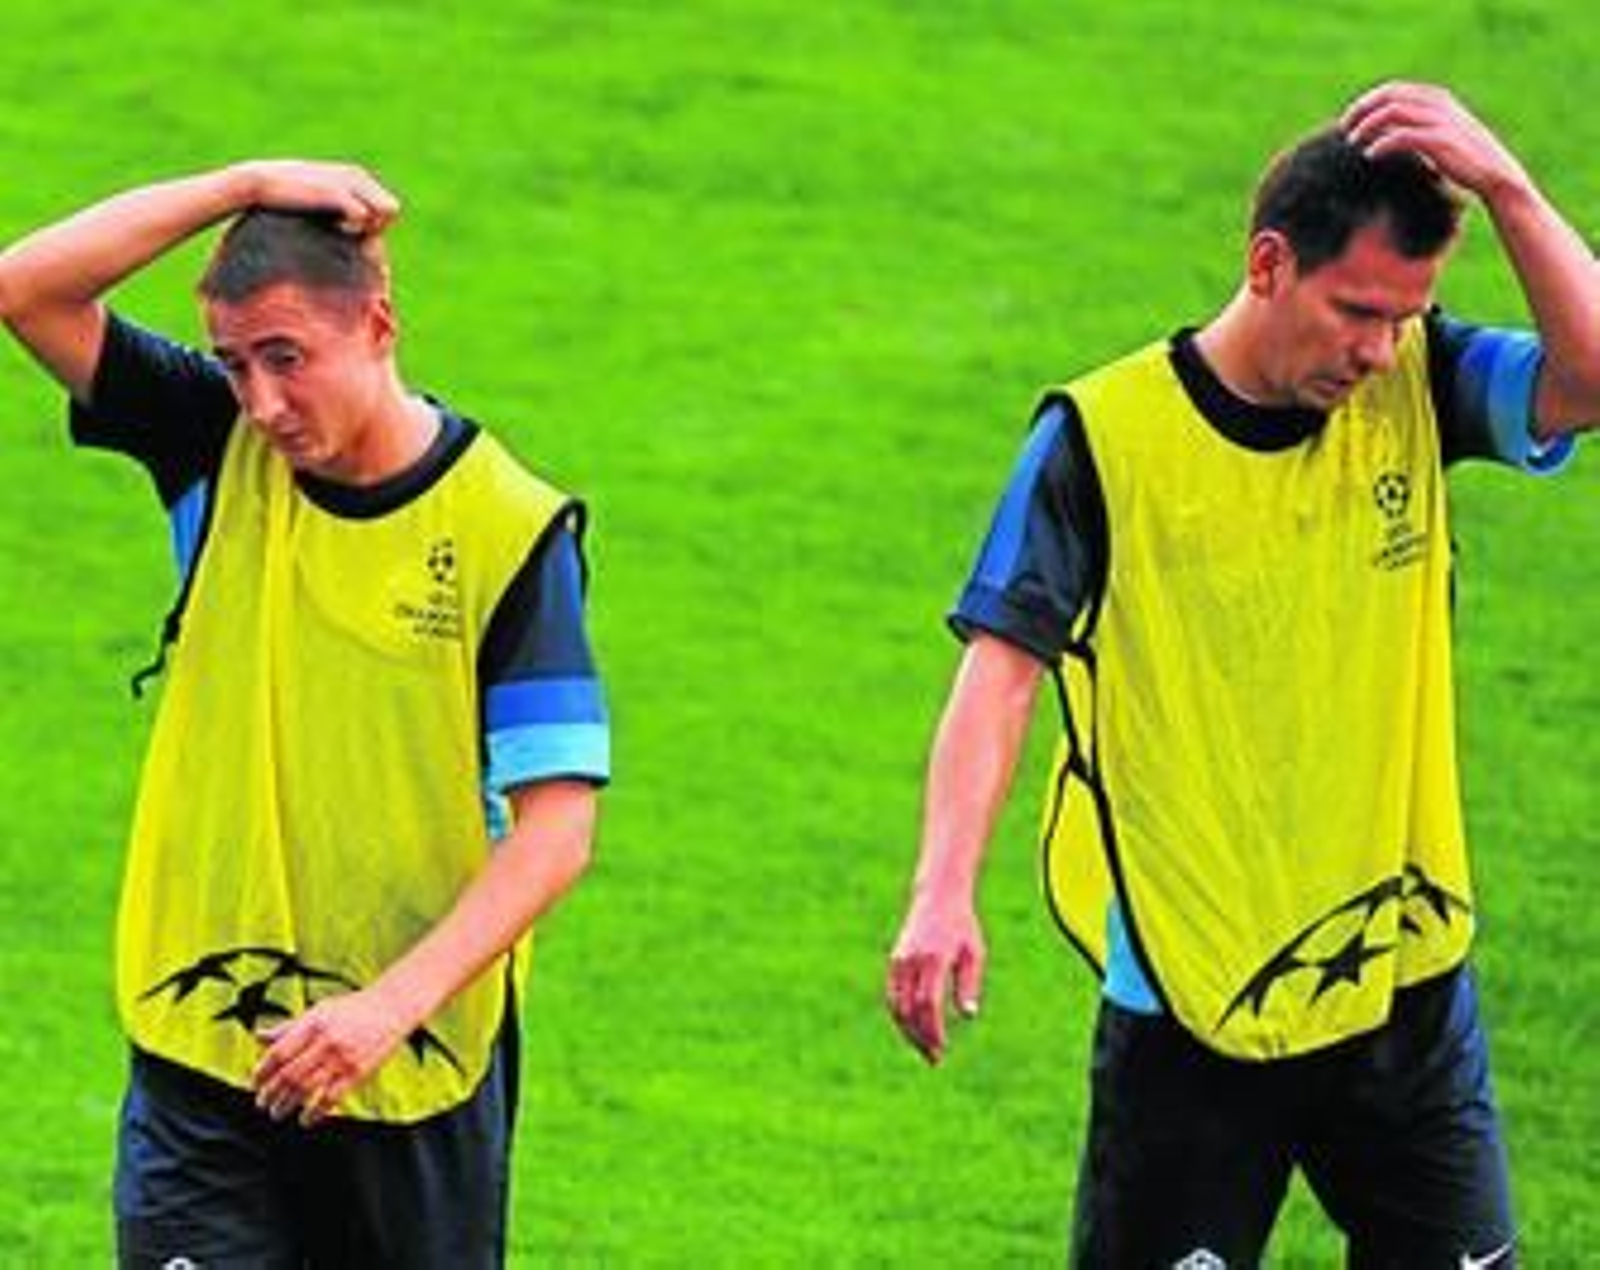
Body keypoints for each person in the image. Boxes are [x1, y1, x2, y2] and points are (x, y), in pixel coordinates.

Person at [886, 81, 1599, 1267]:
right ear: (1268, 263)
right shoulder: (1101, 440)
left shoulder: (1417, 379)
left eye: (1403, 316)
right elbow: (1000, 668)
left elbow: (1593, 377)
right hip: (1190, 989)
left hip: (1398, 972)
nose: (1377, 350)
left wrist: (1509, 188)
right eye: (1356, 310)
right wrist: (941, 886)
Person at [0, 161, 607, 1266]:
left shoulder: (509, 529)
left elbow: (557, 829)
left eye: (288, 358)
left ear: (377, 324)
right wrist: (247, 182)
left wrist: (384, 1006)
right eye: (236, 363)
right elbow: (27, 287)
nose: (264, 402)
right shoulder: (213, 443)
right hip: (203, 1042)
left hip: (409, 1070)